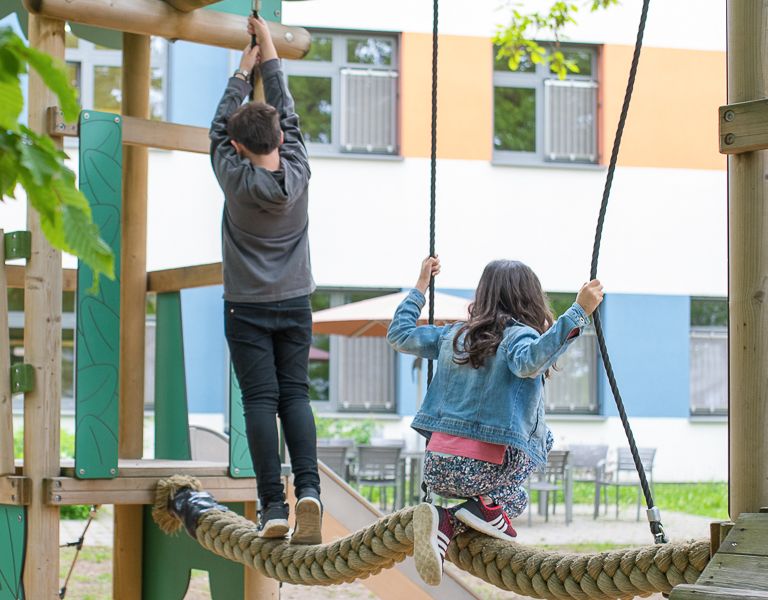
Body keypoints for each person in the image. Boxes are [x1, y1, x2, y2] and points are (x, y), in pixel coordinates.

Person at [387, 257, 604, 585]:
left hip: (438, 469)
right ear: (528, 297)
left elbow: (400, 334)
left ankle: (446, 522)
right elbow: (530, 361)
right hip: (486, 471)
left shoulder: (453, 336)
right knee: (528, 473)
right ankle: (481, 511)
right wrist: (578, 311)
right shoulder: (518, 337)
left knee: (505, 504)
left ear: (484, 294)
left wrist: (421, 286)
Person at [209, 15, 322, 545]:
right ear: (280, 136)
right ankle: (310, 491)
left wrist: (240, 70)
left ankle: (272, 506)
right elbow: (286, 110)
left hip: (246, 306)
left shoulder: (232, 175)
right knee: (294, 396)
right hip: (295, 302)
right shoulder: (297, 169)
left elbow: (217, 127)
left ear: (235, 147)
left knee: (260, 400)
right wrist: (270, 50)